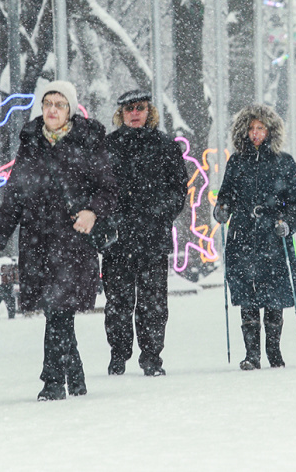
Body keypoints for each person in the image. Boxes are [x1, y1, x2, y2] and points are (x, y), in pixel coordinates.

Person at [0, 81, 117, 400]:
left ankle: (53, 381)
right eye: (48, 104)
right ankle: (77, 374)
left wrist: (91, 212)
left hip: (73, 239)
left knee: (59, 307)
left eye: (60, 104)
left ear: (70, 110)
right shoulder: (31, 143)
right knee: (57, 310)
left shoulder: (87, 141)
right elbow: (14, 194)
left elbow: (108, 188)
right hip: (39, 239)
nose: (53, 110)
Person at [103, 89, 188, 377]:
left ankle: (151, 356)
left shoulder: (165, 146)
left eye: (140, 107)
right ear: (121, 113)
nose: (135, 113)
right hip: (117, 239)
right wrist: (111, 219)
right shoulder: (108, 146)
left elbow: (178, 190)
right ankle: (119, 353)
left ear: (148, 110)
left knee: (154, 303)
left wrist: (159, 213)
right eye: (129, 109)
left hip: (153, 237)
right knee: (117, 302)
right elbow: (97, 190)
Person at [214, 104, 296, 371]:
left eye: (260, 128)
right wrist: (222, 209)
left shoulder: (284, 161)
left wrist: (287, 223)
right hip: (243, 234)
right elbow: (226, 194)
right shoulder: (236, 162)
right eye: (251, 128)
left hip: (273, 236)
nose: (255, 133)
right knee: (247, 293)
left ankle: (273, 351)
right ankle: (251, 354)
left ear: (270, 131)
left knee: (275, 294)